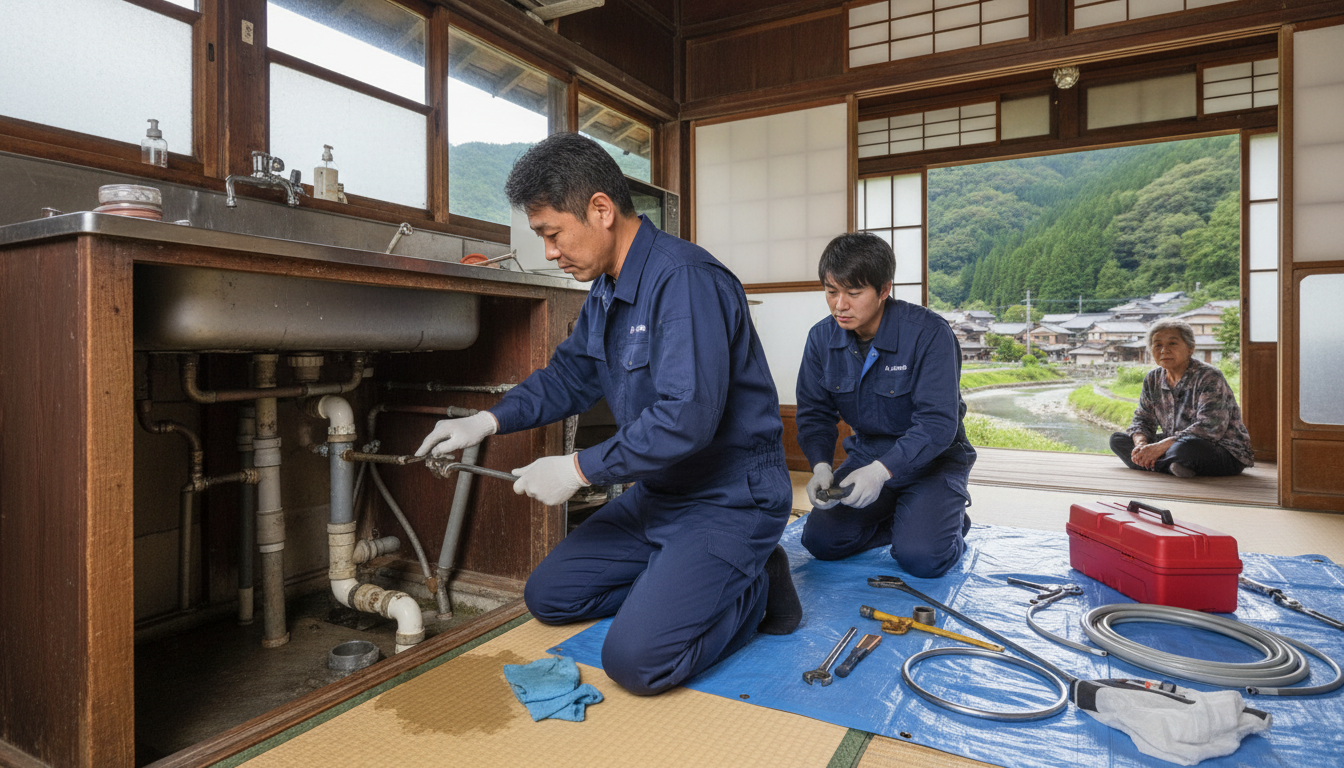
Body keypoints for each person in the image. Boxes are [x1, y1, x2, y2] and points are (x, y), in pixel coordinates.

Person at [415, 133, 800, 696]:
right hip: (662, 492)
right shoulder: (605, 292)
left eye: (552, 234)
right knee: (550, 597)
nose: (550, 252)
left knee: (637, 663)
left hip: (730, 497)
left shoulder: (685, 279)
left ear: (600, 210)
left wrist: (577, 469)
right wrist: (484, 422)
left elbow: (686, 418)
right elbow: (567, 378)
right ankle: (698, 578)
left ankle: (754, 584)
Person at [795, 232, 976, 578]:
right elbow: (814, 414)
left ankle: (938, 524)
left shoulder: (929, 333)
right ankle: (912, 521)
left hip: (933, 461)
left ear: (884, 290)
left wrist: (882, 472)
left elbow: (938, 423)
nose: (839, 305)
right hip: (866, 456)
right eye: (831, 291)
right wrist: (820, 466)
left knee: (923, 559)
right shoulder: (820, 339)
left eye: (853, 293)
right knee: (821, 541)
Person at [1110, 318, 1253, 478]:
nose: (1164, 350)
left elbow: (1210, 427)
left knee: (1184, 448)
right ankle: (1173, 466)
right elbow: (1143, 419)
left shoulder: (1209, 376)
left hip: (1219, 449)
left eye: (1172, 343)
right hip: (1174, 444)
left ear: (1190, 348)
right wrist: (1141, 445)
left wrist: (1160, 447)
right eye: (1158, 345)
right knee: (1118, 440)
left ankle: (1161, 463)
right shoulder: (1153, 379)